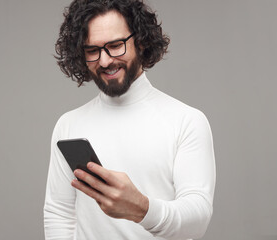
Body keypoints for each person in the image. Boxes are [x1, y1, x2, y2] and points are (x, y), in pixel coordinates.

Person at [44, 0, 216, 239]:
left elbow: (197, 218)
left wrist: (143, 209)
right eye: (93, 50)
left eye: (115, 46)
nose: (104, 61)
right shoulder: (69, 125)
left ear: (142, 41)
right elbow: (59, 212)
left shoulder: (186, 121)